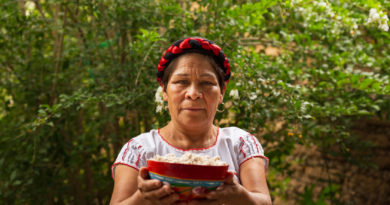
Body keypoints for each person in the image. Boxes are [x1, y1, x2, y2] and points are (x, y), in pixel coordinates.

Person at [110, 37, 272, 205]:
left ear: (222, 92)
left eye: (206, 83)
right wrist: (142, 199)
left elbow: (263, 201)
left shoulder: (239, 144)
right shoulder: (140, 149)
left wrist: (239, 197)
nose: (193, 93)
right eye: (181, 82)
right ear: (164, 91)